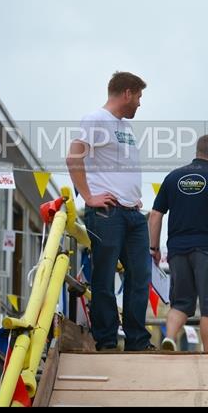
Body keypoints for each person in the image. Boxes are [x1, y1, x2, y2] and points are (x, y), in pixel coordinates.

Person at [66, 71, 152, 351]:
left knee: (140, 275)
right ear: (127, 93)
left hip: (132, 213)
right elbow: (73, 156)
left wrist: (133, 197)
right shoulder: (95, 119)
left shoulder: (124, 128)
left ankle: (137, 340)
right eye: (138, 96)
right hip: (107, 213)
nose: (140, 103)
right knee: (103, 276)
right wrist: (88, 196)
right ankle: (106, 340)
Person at [149, 135, 208, 353]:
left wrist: (153, 249)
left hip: (177, 250)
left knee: (180, 303)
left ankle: (170, 339)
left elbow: (155, 214)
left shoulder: (173, 177)